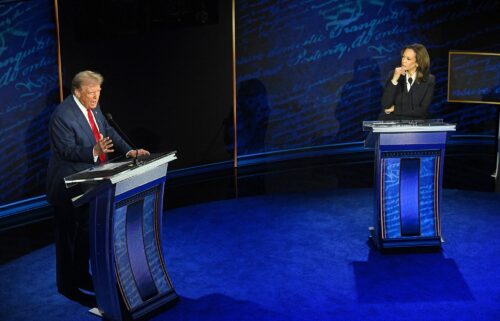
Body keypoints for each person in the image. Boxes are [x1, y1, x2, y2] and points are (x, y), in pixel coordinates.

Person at [46, 70, 149, 306]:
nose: (95, 97)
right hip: (68, 187)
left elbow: (108, 131)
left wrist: (129, 151)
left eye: (98, 92)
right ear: (77, 92)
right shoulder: (62, 116)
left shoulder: (95, 108)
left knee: (85, 235)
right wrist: (94, 151)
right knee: (68, 240)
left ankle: (82, 275)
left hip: (92, 183)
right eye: (91, 93)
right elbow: (66, 151)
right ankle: (68, 286)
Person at [381, 43, 435, 120]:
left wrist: (395, 109)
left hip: (416, 127)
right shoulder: (394, 75)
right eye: (403, 57)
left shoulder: (429, 80)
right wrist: (394, 80)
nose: (403, 61)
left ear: (418, 63)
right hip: (393, 123)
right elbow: (385, 105)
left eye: (408, 59)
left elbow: (422, 111)